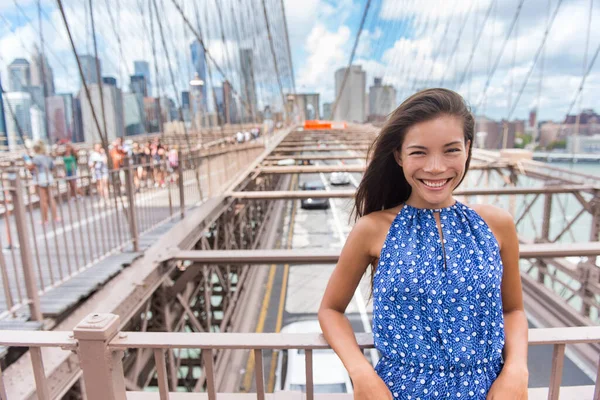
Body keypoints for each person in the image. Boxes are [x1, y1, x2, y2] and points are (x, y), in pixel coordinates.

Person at [318, 89, 528, 399]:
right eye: (419, 152)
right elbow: (330, 310)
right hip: (399, 391)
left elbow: (513, 310)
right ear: (399, 156)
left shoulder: (497, 225)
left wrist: (516, 370)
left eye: (451, 150)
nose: (435, 167)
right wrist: (361, 373)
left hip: (489, 390)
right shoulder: (373, 230)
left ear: (468, 149)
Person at [26, 141, 59, 225]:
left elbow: (30, 168)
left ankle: (45, 219)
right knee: (51, 198)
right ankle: (55, 217)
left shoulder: (36, 158)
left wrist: (27, 161)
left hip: (40, 178)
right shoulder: (47, 157)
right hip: (48, 177)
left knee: (43, 199)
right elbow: (52, 167)